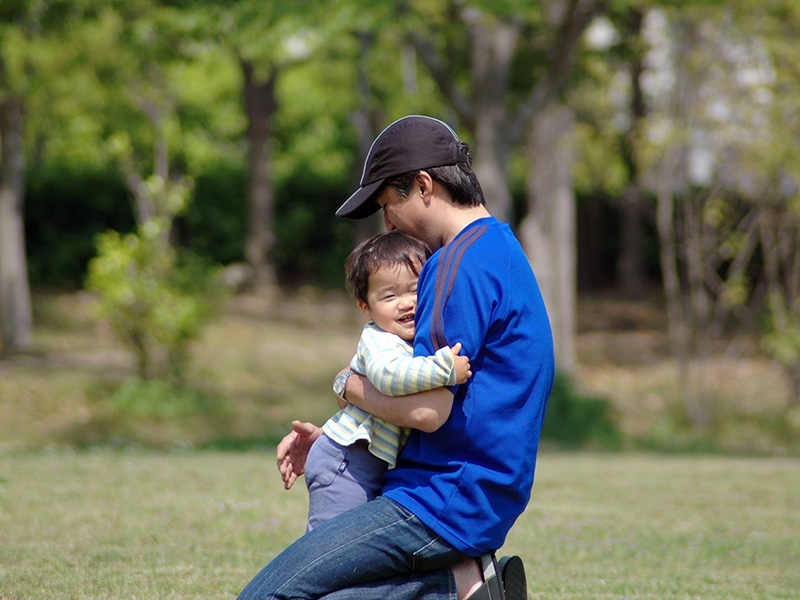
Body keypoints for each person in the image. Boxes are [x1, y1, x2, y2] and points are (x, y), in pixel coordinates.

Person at [239, 115, 554, 600]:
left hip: (439, 501)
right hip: (476, 497)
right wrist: (342, 439)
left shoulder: (452, 267)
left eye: (388, 205)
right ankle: (465, 587)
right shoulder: (501, 248)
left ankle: (456, 586)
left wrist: (348, 384)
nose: (387, 225)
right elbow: (453, 410)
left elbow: (428, 411)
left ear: (424, 185)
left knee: (265, 596)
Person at [303, 230, 471, 531]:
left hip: (362, 463)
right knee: (328, 548)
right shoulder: (379, 339)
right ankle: (297, 579)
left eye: (416, 290)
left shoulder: (406, 341)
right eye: (390, 295)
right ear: (365, 307)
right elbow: (388, 377)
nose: (406, 303)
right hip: (345, 464)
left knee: (349, 547)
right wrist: (444, 369)